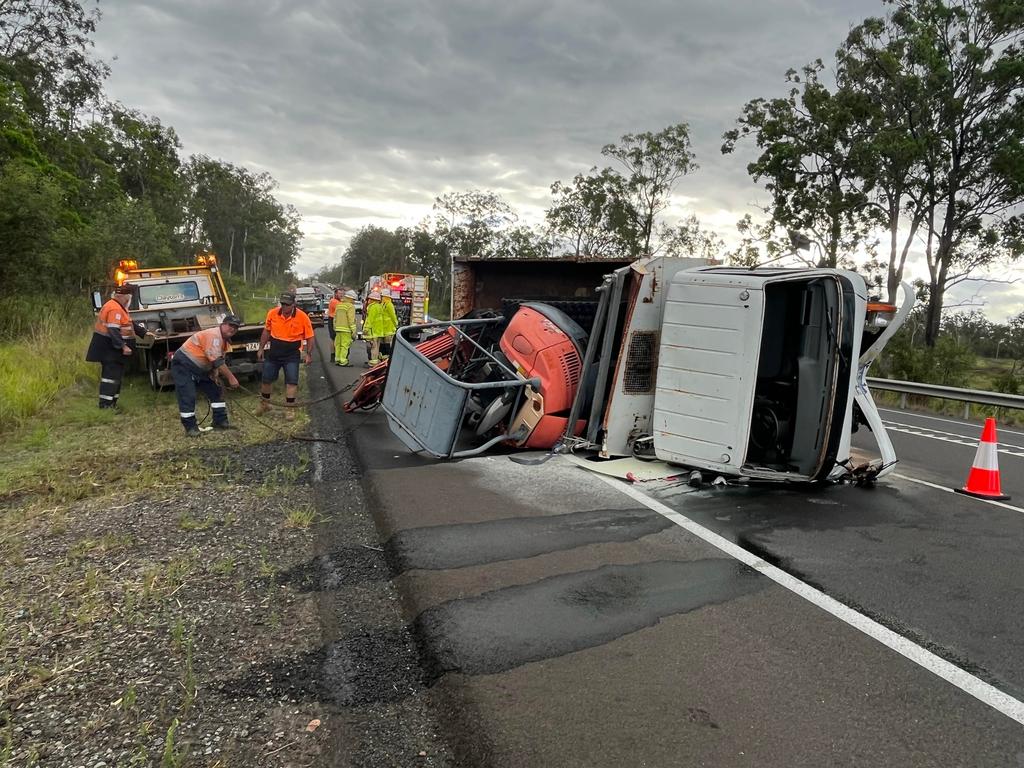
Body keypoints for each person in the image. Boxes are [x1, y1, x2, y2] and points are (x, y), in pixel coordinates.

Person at [170, 315, 243, 436]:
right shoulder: (214, 336)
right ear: (223, 324)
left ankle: (220, 421)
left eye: (235, 327)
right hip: (184, 363)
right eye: (230, 325)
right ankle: (190, 428)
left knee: (216, 390)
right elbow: (218, 360)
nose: (233, 329)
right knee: (188, 394)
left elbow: (215, 359)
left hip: (200, 366)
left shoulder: (224, 340)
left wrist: (214, 372)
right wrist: (231, 378)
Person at [85, 284, 148, 410]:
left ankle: (112, 404)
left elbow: (129, 323)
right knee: (110, 378)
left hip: (112, 350)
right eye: (129, 298)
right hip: (109, 350)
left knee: (116, 377)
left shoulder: (119, 307)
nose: (129, 301)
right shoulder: (115, 309)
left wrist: (143, 332)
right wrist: (123, 346)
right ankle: (105, 406)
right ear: (125, 297)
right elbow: (113, 330)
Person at [256, 292, 315, 421]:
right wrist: (261, 348)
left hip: (291, 354)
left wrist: (309, 354)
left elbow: (310, 337)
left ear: (293, 304)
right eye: (282, 304)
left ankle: (290, 409)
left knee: (291, 382)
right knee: (266, 380)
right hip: (274, 353)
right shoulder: (272, 313)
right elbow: (266, 331)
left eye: (287, 304)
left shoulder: (303, 317)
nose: (284, 307)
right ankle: (265, 404)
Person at [334, 290, 357, 367]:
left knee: (338, 344)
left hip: (338, 329)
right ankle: (343, 361)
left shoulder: (339, 305)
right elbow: (351, 319)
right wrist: (354, 330)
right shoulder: (350, 306)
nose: (354, 301)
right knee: (345, 345)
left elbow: (335, 317)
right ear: (351, 299)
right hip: (346, 329)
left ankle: (337, 359)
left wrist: (335, 327)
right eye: (354, 300)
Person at [362, 290, 384, 367]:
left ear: (372, 300)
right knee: (376, 347)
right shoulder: (379, 307)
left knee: (373, 347)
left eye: (370, 299)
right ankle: (375, 361)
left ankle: (373, 363)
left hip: (373, 331)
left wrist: (366, 329)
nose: (368, 301)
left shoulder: (372, 307)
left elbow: (369, 320)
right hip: (379, 331)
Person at [380, 288, 399, 360]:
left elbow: (393, 316)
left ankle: (388, 358)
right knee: (382, 344)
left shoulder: (389, 305)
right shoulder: (382, 304)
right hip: (383, 329)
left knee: (387, 344)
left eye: (382, 296)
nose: (381, 298)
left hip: (388, 329)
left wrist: (396, 324)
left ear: (385, 297)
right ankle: (383, 357)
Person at [326, 287, 342, 360]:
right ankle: (333, 355)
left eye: (342, 293)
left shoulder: (339, 301)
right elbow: (341, 308)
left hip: (338, 319)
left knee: (337, 338)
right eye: (339, 293)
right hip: (332, 320)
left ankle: (337, 354)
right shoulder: (334, 301)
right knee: (333, 338)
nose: (341, 295)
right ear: (335, 294)